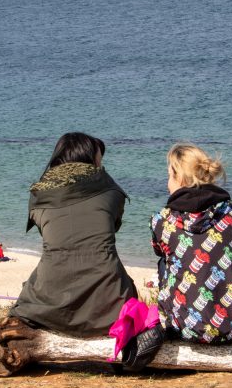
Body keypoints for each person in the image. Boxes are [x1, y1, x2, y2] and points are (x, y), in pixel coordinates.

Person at [10, 132, 138, 336]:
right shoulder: (112, 191)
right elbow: (112, 226)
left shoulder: (38, 196)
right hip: (109, 300)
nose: (101, 165)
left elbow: (50, 233)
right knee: (127, 288)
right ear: (89, 159)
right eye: (99, 159)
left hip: (48, 300)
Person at [151, 143, 232, 344]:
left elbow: (163, 255)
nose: (167, 184)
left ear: (180, 178)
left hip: (184, 327)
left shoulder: (162, 220)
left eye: (169, 176)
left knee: (164, 262)